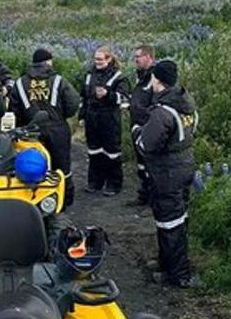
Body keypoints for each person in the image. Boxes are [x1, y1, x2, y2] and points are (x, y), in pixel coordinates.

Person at [137, 59, 199, 288]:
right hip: (185, 167)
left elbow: (147, 145)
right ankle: (169, 263)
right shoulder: (187, 104)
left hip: (167, 173)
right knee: (178, 219)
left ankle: (178, 275)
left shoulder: (163, 112)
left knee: (169, 223)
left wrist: (137, 133)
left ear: (158, 80)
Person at [13, 48, 81, 209]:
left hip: (31, 131)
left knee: (33, 165)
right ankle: (63, 201)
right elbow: (73, 102)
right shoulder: (58, 80)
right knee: (62, 167)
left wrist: (23, 124)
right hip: (57, 128)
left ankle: (34, 200)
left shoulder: (20, 83)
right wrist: (62, 116)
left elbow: (14, 109)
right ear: (48, 62)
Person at [80, 46, 131, 196]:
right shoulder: (89, 75)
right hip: (92, 118)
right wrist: (82, 116)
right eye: (96, 59)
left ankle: (114, 184)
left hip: (109, 118)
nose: (97, 62)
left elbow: (124, 99)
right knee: (93, 151)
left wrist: (108, 94)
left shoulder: (119, 77)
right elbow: (84, 97)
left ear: (109, 59)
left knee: (112, 152)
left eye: (100, 59)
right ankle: (95, 182)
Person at [129, 45, 157, 206]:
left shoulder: (155, 77)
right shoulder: (141, 77)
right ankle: (144, 195)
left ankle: (153, 199)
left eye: (138, 57)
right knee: (141, 165)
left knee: (150, 165)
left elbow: (156, 102)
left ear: (149, 57)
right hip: (137, 127)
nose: (136, 60)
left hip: (148, 127)